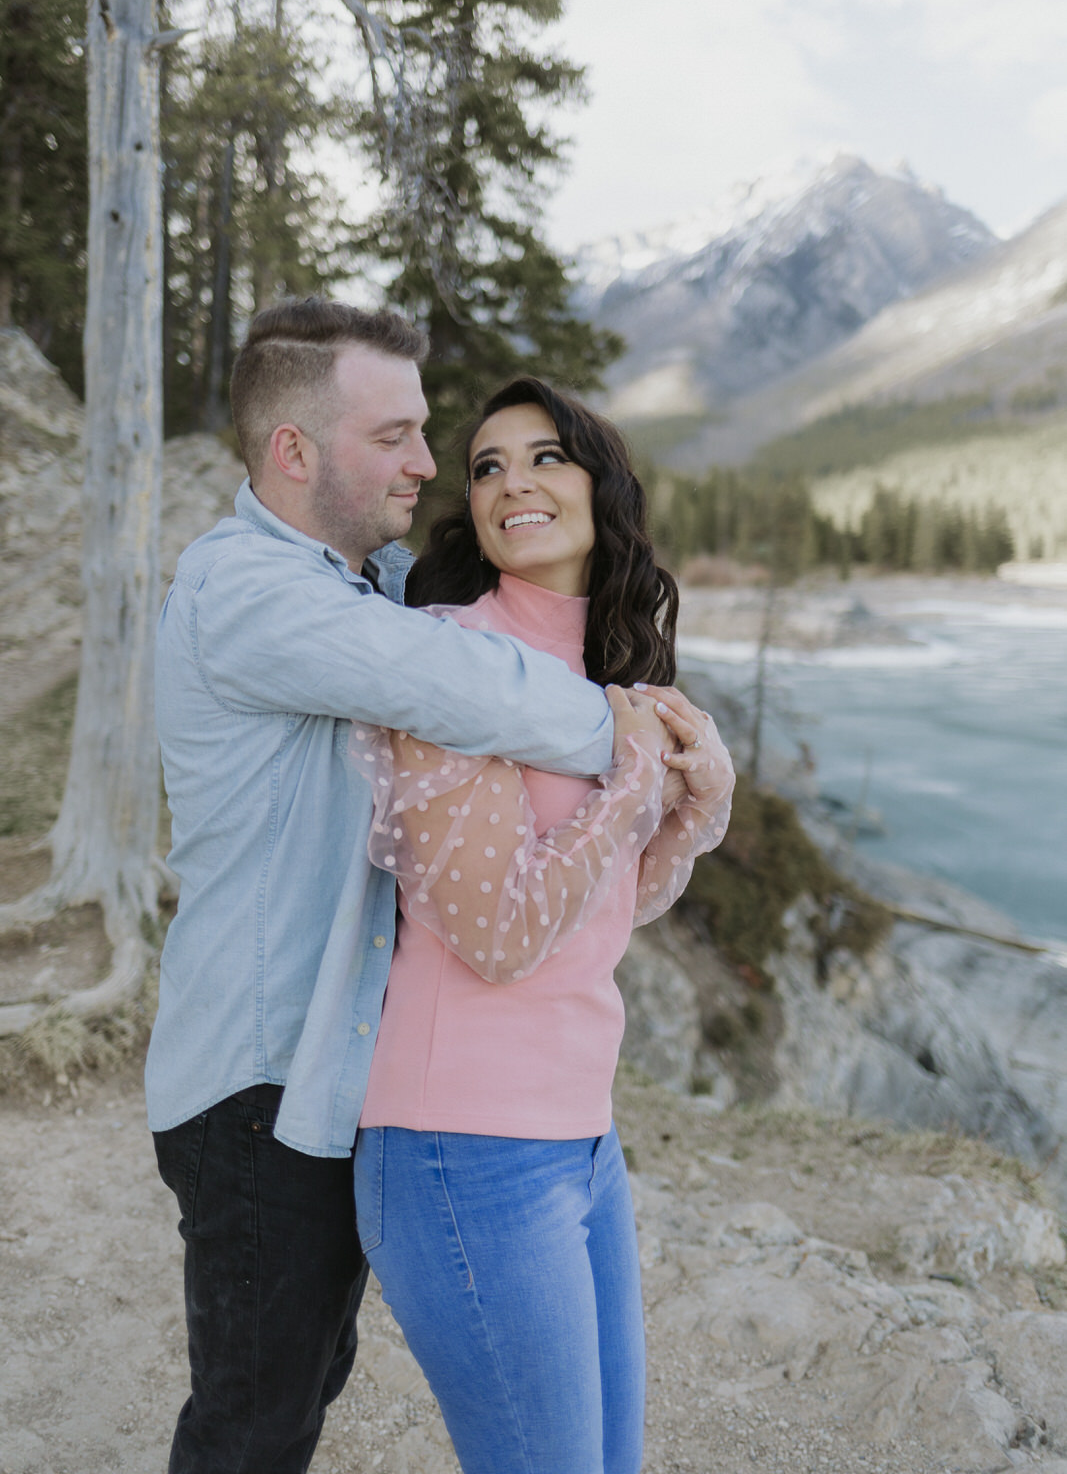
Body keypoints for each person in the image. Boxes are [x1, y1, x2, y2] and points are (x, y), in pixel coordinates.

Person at [148, 301, 637, 1474]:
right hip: (257, 1082)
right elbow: (467, 681)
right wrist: (640, 735)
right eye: (396, 435)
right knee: (254, 1419)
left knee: (302, 1380)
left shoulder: (368, 579)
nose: (426, 462)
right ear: (294, 451)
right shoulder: (251, 594)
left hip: (332, 1076)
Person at [343, 377, 735, 1474]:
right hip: (461, 1144)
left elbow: (598, 913)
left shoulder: (600, 675)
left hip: (581, 1136)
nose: (511, 480)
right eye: (485, 465)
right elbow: (498, 932)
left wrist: (692, 805)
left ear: (598, 488)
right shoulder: (453, 656)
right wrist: (626, 788)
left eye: (544, 456)